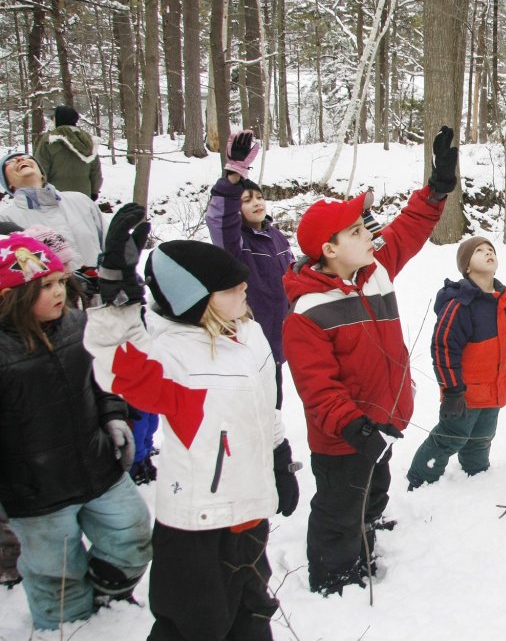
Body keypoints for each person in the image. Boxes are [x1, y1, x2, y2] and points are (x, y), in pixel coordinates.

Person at [84, 204, 301, 640]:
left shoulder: (249, 335)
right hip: (197, 527)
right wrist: (116, 298)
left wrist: (279, 455)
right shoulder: (170, 356)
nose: (245, 290)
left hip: (249, 515)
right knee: (192, 626)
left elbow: (265, 407)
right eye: (232, 288)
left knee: (253, 616)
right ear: (196, 298)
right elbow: (117, 365)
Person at [282, 126, 458, 597]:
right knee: (340, 509)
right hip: (344, 438)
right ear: (329, 249)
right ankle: (335, 580)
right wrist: (354, 427)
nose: (371, 234)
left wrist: (436, 190)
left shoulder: (374, 271)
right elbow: (317, 388)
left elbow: (409, 228)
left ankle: (369, 533)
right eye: (358, 231)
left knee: (374, 491)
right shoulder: (306, 313)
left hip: (383, 422)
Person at [0, 232, 152, 630]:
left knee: (134, 540)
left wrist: (114, 416)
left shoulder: (77, 324)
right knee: (57, 577)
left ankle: (111, 601)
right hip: (36, 492)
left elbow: (103, 379)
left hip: (96, 463)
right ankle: (69, 630)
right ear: (9, 296)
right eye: (44, 285)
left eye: (59, 282)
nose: (58, 292)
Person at [406, 236, 506, 490]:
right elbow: (443, 348)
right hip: (464, 392)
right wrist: (452, 390)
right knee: (450, 437)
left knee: (482, 436)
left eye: (490, 250)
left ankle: (476, 473)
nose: (488, 253)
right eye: (479, 251)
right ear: (466, 266)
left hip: (494, 388)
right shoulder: (460, 304)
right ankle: (421, 479)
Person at [206, 129, 294, 408]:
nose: (256, 202)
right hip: (247, 344)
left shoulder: (275, 235)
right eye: (246, 199)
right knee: (252, 412)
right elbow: (220, 217)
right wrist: (233, 176)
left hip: (277, 341)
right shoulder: (234, 241)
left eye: (258, 196)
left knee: (274, 411)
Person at [0, 150, 105, 267]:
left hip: (100, 283)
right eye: (10, 162)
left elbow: (110, 246)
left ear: (42, 174)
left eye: (26, 157)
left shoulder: (81, 201)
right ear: (8, 183)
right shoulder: (5, 220)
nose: (20, 159)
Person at [36, 105, 103, 200]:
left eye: (54, 117)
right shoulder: (87, 140)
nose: (53, 120)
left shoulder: (49, 140)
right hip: (83, 197)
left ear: (60, 118)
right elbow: (95, 170)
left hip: (57, 197)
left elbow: (40, 170)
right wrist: (94, 191)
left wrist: (39, 192)